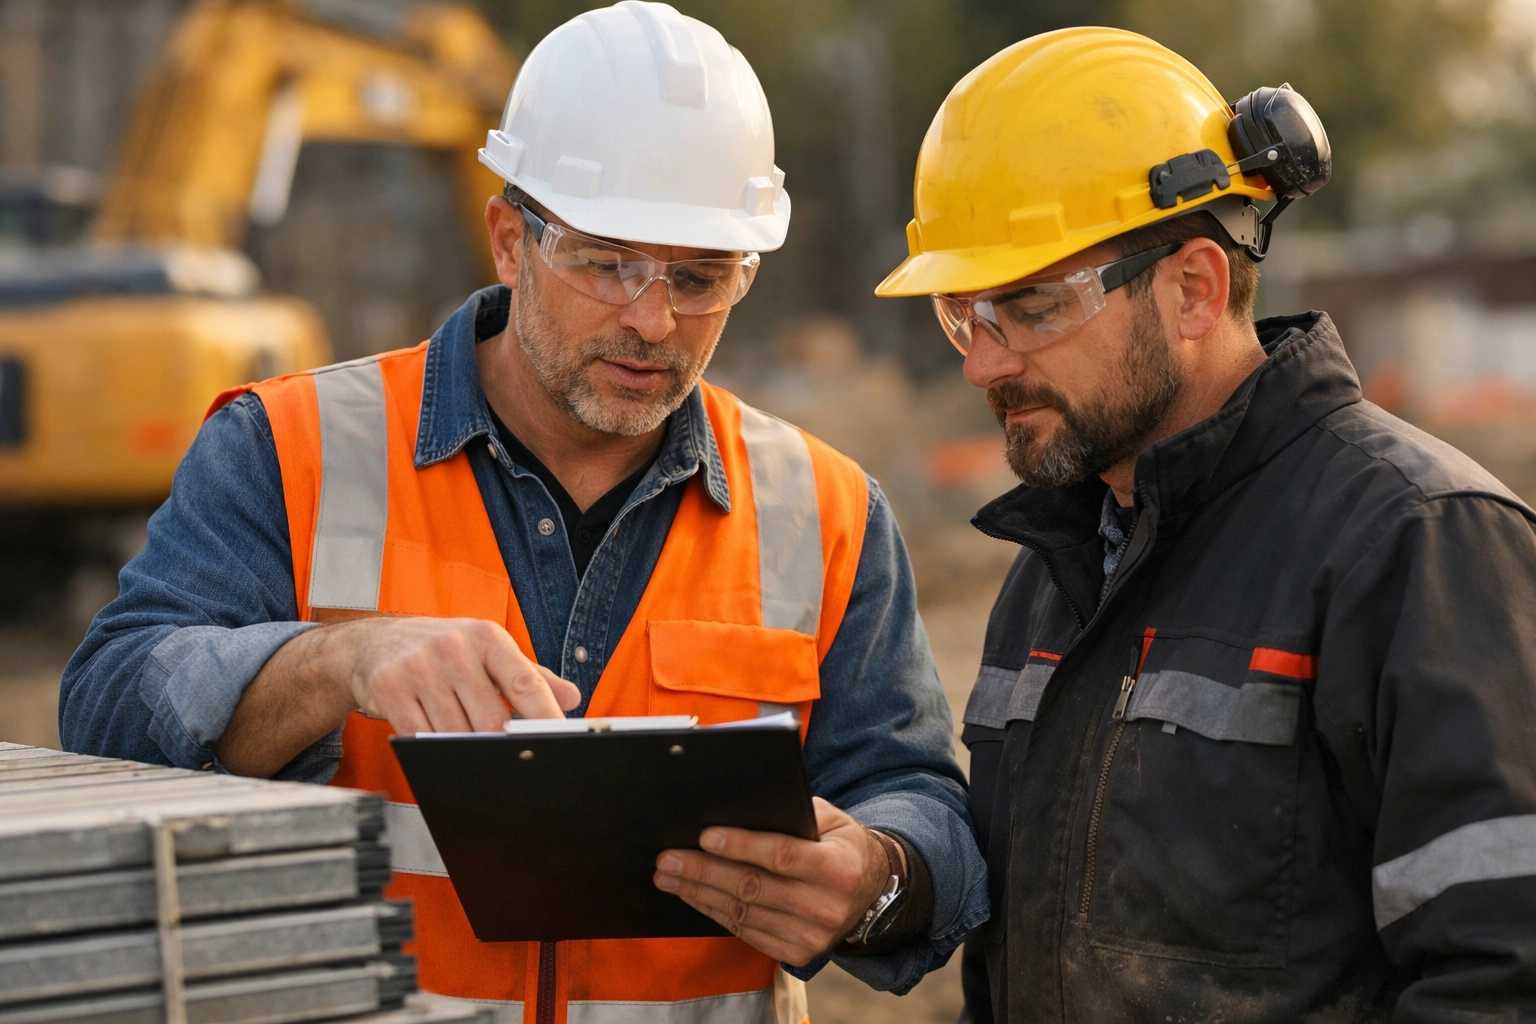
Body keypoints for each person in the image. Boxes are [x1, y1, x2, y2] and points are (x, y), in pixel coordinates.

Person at [60, 4, 987, 1022]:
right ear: (510, 239)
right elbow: (107, 713)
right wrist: (337, 662)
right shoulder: (289, 449)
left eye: (699, 277)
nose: (651, 318)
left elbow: (923, 804)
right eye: (606, 262)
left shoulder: (827, 510)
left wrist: (873, 877)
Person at [875, 25, 1536, 1023]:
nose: (985, 362)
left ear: (1194, 288)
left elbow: (1505, 975)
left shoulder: (1419, 545)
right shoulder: (1056, 567)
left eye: (1032, 307)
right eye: (965, 314)